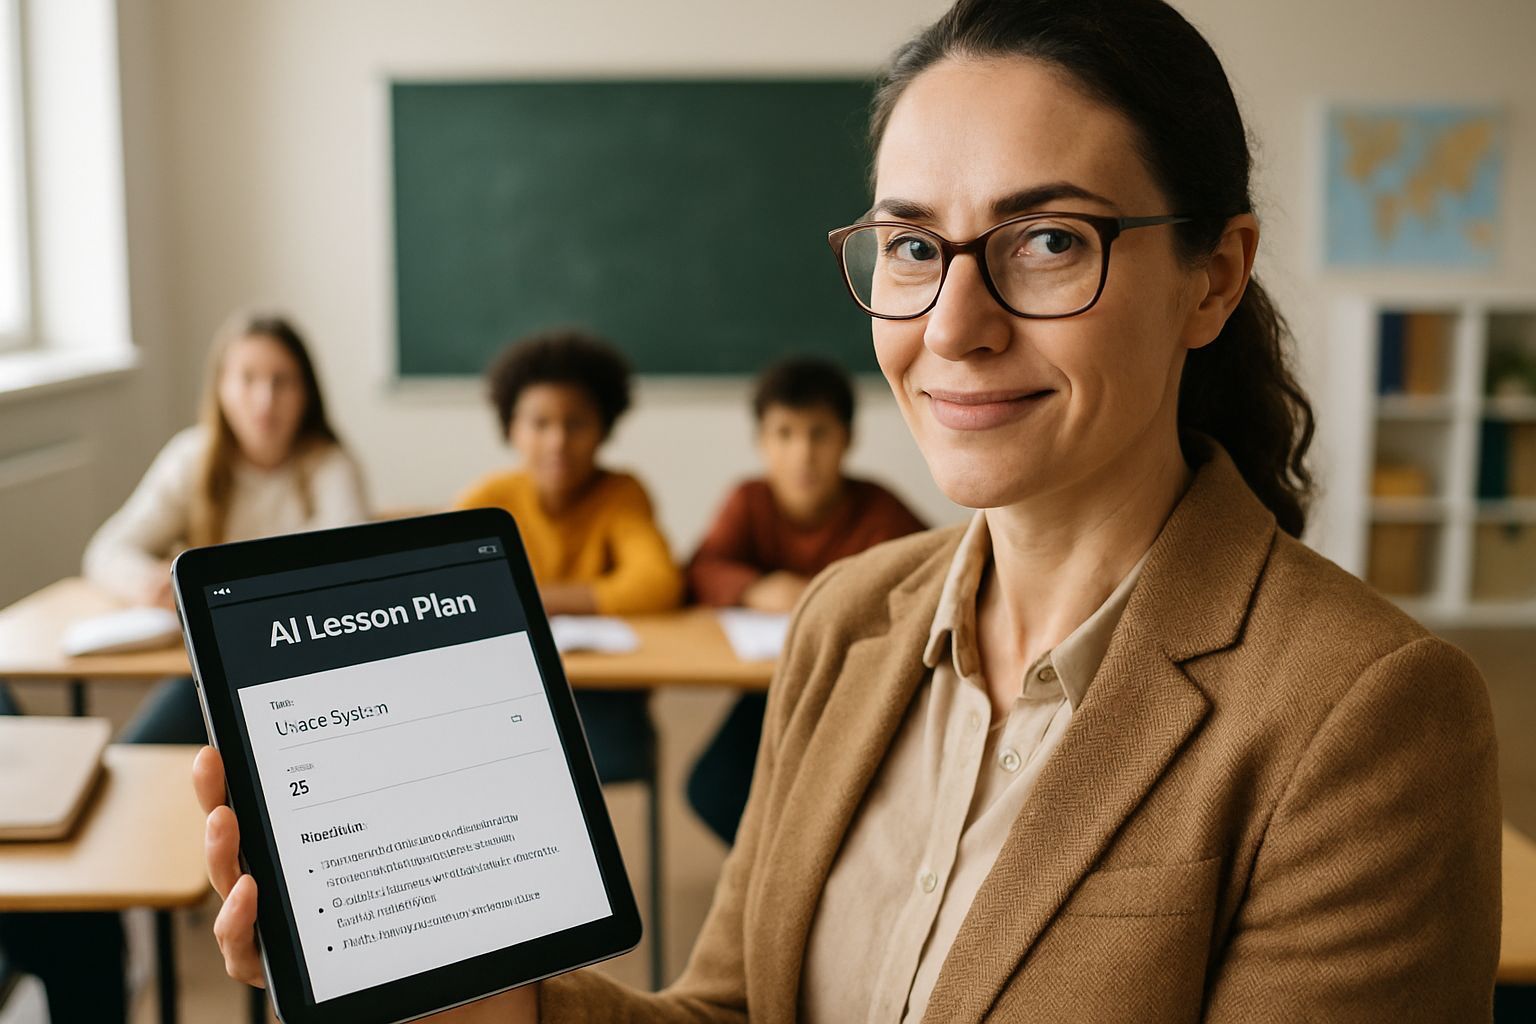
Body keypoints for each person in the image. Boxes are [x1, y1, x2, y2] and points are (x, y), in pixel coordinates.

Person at [195, 1, 1501, 1020]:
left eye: (1050, 239)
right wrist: (493, 1005)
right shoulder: (845, 621)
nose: (956, 325)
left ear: (1213, 277)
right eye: (915, 246)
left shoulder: (1369, 717)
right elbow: (733, 1013)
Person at [0, 312, 367, 1024]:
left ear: (307, 392)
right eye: (248, 379)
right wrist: (151, 580)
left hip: (297, 690)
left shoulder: (330, 465)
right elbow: (107, 549)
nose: (264, 400)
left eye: (282, 381)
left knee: (257, 802)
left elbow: (345, 574)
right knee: (131, 781)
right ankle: (133, 928)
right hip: (203, 679)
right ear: (221, 390)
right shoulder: (193, 457)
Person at [685, 355, 925, 843]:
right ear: (761, 442)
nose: (803, 453)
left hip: (853, 688)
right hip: (770, 684)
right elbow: (700, 570)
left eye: (819, 434)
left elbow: (928, 584)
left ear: (847, 439)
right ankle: (774, 868)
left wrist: (828, 598)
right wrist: (754, 588)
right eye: (785, 434)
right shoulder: (749, 501)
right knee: (711, 788)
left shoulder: (879, 510)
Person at [454, 328, 684, 782]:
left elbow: (657, 582)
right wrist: (591, 596)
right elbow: (450, 592)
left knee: (599, 761)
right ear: (512, 429)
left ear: (604, 427)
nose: (558, 441)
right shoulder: (489, 498)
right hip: (506, 686)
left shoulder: (621, 494)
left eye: (575, 423)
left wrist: (541, 598)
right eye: (540, 423)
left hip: (603, 688)